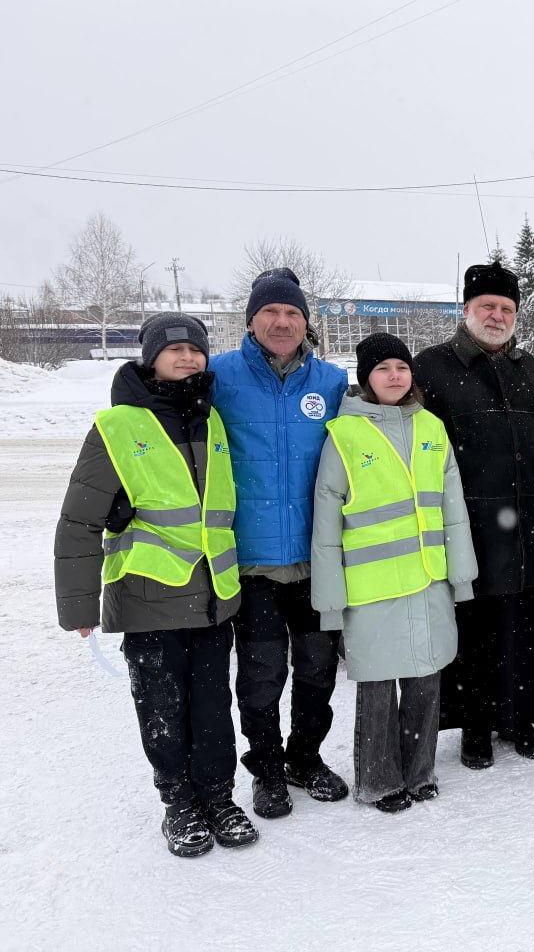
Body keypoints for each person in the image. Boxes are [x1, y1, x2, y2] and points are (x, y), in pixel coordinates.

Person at [54, 312, 258, 857]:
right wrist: (78, 603)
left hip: (214, 596)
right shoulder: (118, 426)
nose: (187, 357)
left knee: (214, 707)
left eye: (196, 348)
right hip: (148, 598)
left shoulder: (211, 421)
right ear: (150, 357)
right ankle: (179, 805)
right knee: (163, 709)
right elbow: (78, 520)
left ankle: (218, 796)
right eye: (174, 349)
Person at [311, 334, 477, 812]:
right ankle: (380, 780)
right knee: (379, 687)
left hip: (429, 580)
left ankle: (420, 773)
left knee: (426, 680)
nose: (394, 376)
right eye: (382, 368)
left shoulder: (431, 427)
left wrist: (460, 575)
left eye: (401, 367)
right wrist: (330, 602)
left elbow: (453, 507)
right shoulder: (344, 434)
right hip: (372, 587)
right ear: (366, 378)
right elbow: (325, 525)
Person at [413, 261, 534, 769]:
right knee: (473, 634)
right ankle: (475, 729)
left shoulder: (530, 368)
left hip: (532, 526)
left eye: (506, 308)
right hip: (470, 529)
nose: (497, 316)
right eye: (487, 307)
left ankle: (522, 721)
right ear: (466, 310)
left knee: (526, 631)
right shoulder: (431, 367)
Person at [210, 268, 350, 819]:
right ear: (251, 320)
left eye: (293, 313)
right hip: (254, 563)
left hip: (316, 558)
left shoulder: (331, 383)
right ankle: (266, 769)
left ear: (306, 323)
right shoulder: (219, 376)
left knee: (318, 669)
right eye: (271, 312)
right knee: (263, 674)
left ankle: (305, 759)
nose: (282, 321)